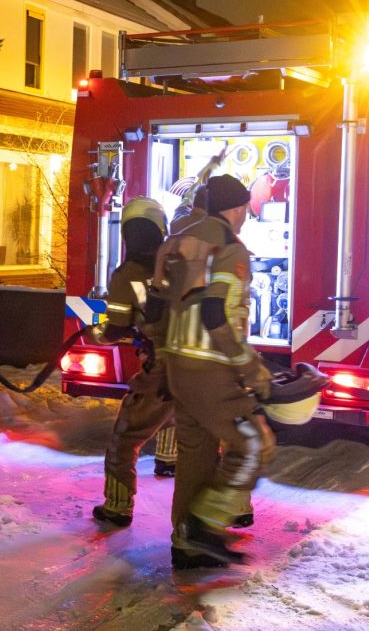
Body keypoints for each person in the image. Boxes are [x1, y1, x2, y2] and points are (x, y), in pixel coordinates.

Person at [151, 174, 275, 568]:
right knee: (254, 444)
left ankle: (187, 547)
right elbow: (215, 313)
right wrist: (250, 366)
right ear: (237, 208)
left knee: (196, 456)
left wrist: (164, 359)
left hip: (178, 367)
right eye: (245, 210)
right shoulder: (229, 247)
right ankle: (203, 527)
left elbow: (154, 307)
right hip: (209, 368)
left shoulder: (178, 240)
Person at [89, 197, 177, 527]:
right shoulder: (180, 263)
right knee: (194, 425)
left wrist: (98, 334)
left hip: (162, 364)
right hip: (198, 362)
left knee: (125, 437)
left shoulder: (127, 274)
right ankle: (171, 461)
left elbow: (117, 328)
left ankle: (117, 506)